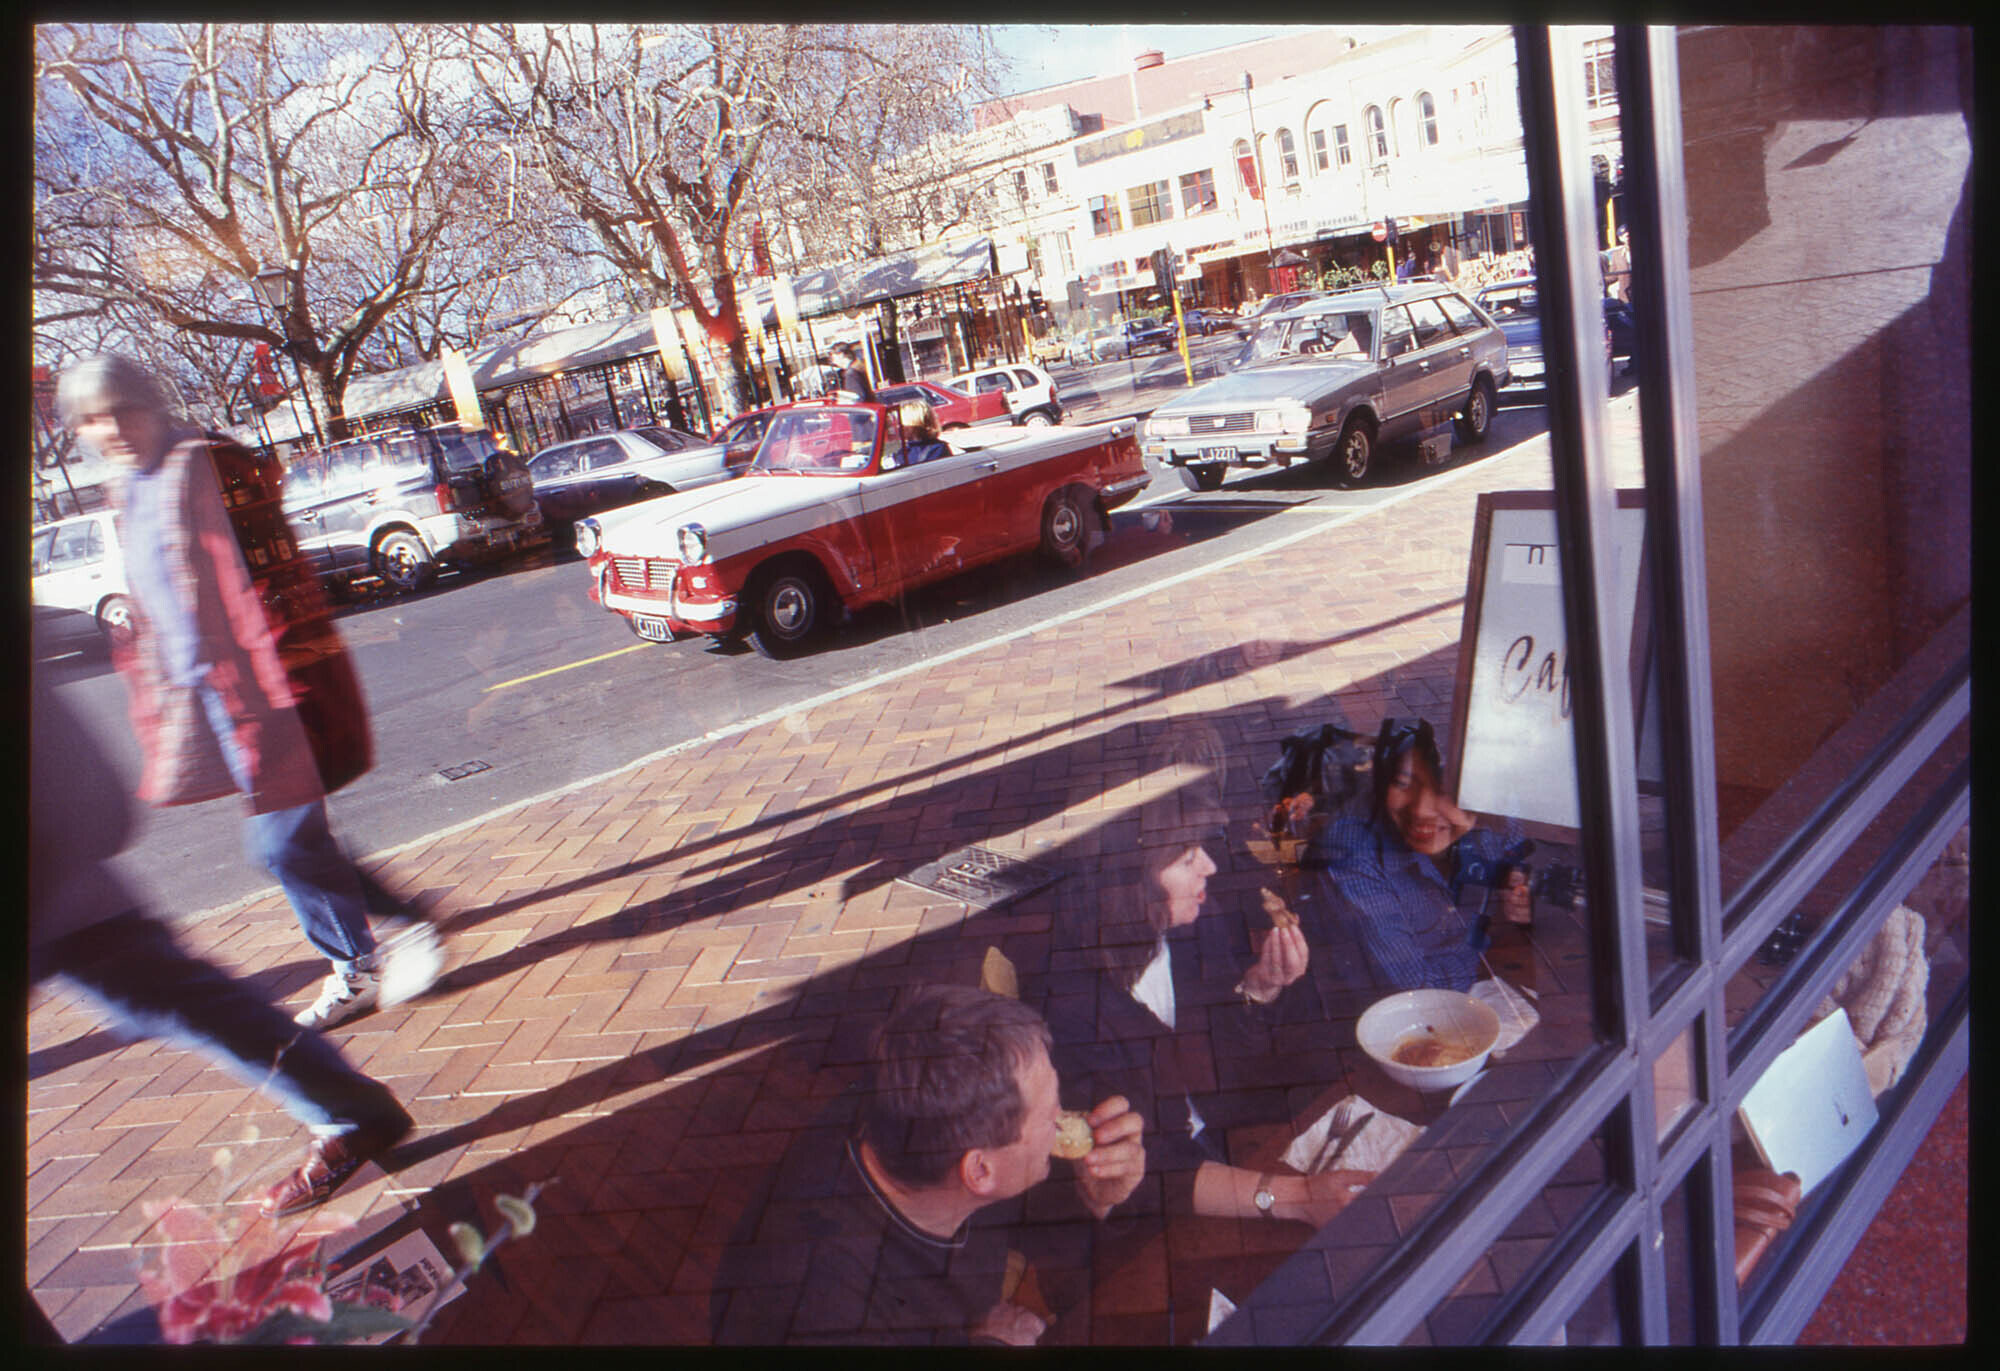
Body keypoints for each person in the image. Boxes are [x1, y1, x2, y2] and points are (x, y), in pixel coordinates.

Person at [56, 354, 441, 1031]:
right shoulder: (128, 488)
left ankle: (377, 948)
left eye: (124, 408)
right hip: (209, 697)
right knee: (299, 840)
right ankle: (382, 941)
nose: (112, 427)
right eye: (92, 418)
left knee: (281, 845)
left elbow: (269, 588)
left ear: (151, 402)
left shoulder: (207, 465)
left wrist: (281, 692)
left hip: (265, 691)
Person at [29, 674, 414, 1220]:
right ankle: (351, 1101)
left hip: (55, 884)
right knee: (174, 994)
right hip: (61, 884)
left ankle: (353, 1096)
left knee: (176, 992)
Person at [1044, 735, 1372, 1233]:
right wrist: (1298, 1197)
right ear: (1132, 881)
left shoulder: (1191, 925)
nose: (1210, 867)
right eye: (1185, 857)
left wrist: (1259, 989)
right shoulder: (1075, 1006)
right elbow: (1145, 1173)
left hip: (1222, 1139)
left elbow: (1217, 1065)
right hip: (1157, 1215)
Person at [711, 983, 1145, 1344]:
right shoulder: (826, 1307)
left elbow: (1037, 1222)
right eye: (1051, 1117)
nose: (1065, 1122)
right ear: (978, 1172)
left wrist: (1098, 1197)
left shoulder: (930, 1126)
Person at [1309, 717, 1531, 993]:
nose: (1421, 810)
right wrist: (1499, 954)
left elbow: (1521, 859)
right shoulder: (1353, 854)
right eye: (1403, 783)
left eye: (1445, 790)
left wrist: (1520, 891)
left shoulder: (1494, 809)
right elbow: (1415, 987)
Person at [895, 398, 951, 465]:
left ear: (914, 423)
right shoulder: (905, 449)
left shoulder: (936, 448)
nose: (898, 427)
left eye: (901, 423)